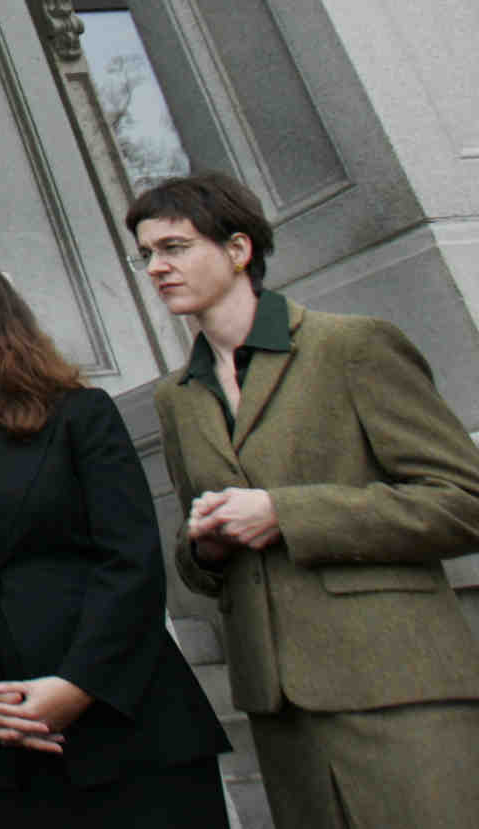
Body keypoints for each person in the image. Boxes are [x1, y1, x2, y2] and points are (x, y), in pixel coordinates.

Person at [138, 171, 479, 829]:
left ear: (238, 250)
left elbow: (464, 499)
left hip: (401, 691)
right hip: (281, 711)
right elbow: (195, 556)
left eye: (174, 247)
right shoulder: (176, 396)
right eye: (146, 253)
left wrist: (285, 513)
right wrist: (202, 546)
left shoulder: (349, 345)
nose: (156, 267)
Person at [0, 251, 228, 828]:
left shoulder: (80, 415)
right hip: (1, 747)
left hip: (128, 724)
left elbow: (130, 559)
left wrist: (78, 685)